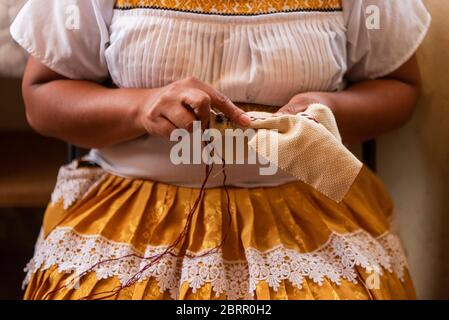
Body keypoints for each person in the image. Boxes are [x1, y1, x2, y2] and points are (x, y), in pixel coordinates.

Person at [11, 0, 431, 299]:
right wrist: (140, 107)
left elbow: (400, 87)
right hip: (134, 207)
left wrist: (331, 110)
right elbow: (42, 95)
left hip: (308, 207)